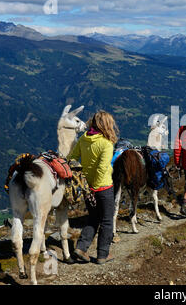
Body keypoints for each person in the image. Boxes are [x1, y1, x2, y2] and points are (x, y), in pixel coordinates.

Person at [68, 110, 119, 264]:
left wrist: (87, 187)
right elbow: (102, 168)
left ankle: (81, 248)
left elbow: (71, 159)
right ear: (108, 125)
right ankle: (103, 255)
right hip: (103, 187)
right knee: (107, 221)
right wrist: (95, 189)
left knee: (93, 218)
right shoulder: (107, 143)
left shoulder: (84, 138)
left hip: (87, 187)